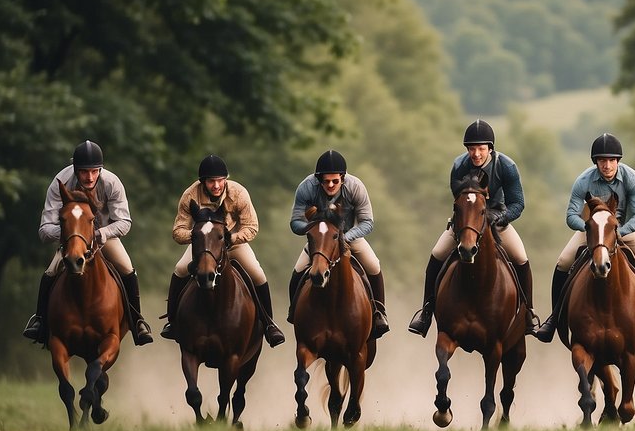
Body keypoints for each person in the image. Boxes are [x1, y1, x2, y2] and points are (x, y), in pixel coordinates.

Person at [534, 133, 635, 349]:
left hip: (623, 229)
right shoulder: (584, 180)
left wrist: (618, 231)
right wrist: (592, 230)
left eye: (611, 160)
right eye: (602, 161)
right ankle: (553, 319)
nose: (607, 165)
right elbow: (571, 214)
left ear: (618, 161)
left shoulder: (632, 178)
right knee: (563, 261)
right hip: (592, 229)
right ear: (596, 162)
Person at [407, 119, 539, 337]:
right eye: (471, 148)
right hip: (467, 224)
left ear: (490, 148)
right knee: (437, 254)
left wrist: (500, 217)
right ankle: (427, 311)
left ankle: (529, 314)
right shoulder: (459, 166)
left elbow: (518, 203)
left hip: (498, 222)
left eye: (480, 148)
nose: (476, 153)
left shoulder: (506, 166)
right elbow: (459, 202)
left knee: (521, 259)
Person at [22, 140, 155, 346]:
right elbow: (45, 229)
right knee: (50, 272)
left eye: (94, 171)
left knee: (128, 269)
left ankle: (137, 321)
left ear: (100, 170)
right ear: (75, 169)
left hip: (104, 236)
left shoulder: (112, 183)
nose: (90, 177)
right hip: (72, 240)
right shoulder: (61, 182)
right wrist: (72, 233)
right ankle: (39, 320)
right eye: (84, 172)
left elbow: (125, 222)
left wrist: (99, 234)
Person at [160, 154, 285, 347]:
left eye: (220, 181)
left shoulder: (239, 193)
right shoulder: (190, 195)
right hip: (203, 245)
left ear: (225, 180)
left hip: (233, 243)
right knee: (180, 268)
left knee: (257, 273)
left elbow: (252, 226)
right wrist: (196, 236)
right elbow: (178, 231)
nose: (216, 186)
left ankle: (269, 324)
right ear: (203, 182)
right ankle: (172, 322)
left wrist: (232, 238)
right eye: (211, 181)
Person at [288, 150, 390, 339]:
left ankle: (379, 313)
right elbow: (295, 222)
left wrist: (345, 237)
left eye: (335, 181)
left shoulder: (355, 186)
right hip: (321, 241)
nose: (330, 185)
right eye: (326, 181)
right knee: (298, 271)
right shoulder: (306, 188)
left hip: (350, 236)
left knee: (374, 266)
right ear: (319, 179)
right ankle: (295, 312)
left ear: (342, 178)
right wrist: (314, 229)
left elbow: (367, 221)